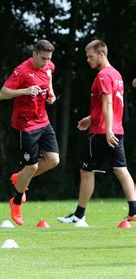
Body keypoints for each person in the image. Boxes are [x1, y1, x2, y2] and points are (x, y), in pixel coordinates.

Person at [58, 40, 136, 223]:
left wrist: (106, 129)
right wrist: (91, 117)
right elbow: (110, 106)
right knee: (121, 169)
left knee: (86, 171)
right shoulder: (116, 74)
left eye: (90, 56)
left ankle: (79, 216)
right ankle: (134, 210)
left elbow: (108, 103)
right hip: (116, 128)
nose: (88, 60)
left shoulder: (103, 76)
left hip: (102, 131)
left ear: (102, 55)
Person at [0, 40, 60, 225]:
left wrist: (51, 94)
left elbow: (48, 78)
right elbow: (3, 93)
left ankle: (20, 177)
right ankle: (16, 202)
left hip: (43, 121)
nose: (46, 62)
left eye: (49, 59)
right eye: (43, 58)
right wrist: (25, 91)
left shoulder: (49, 66)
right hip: (25, 125)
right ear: (34, 54)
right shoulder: (21, 71)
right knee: (31, 167)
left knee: (53, 160)